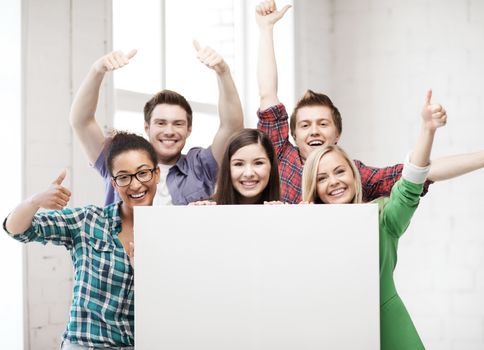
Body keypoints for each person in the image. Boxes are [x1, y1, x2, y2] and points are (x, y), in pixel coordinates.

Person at [255, 0, 484, 204]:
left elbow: (421, 171)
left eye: (323, 124)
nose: (314, 131)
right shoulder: (281, 157)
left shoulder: (353, 174)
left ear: (337, 135)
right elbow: (267, 94)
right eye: (305, 125)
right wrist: (266, 29)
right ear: (293, 135)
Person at [301, 91, 446, 349]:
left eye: (339, 171)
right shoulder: (306, 229)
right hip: (333, 331)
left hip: (389, 328)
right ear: (314, 187)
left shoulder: (381, 216)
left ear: (353, 174)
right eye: (322, 178)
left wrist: (427, 130)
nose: (333, 181)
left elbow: (410, 184)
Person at [3, 132, 160, 349]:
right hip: (84, 344)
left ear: (157, 173)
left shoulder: (169, 231)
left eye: (143, 173)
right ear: (114, 183)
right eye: (123, 177)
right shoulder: (87, 221)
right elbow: (16, 229)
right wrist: (35, 200)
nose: (135, 185)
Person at [70, 41, 244, 205]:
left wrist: (223, 72)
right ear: (147, 127)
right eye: (161, 123)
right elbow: (81, 122)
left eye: (178, 124)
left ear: (189, 129)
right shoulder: (119, 158)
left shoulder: (200, 166)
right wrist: (97, 71)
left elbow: (232, 127)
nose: (169, 131)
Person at [191, 128, 280, 205]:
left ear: (271, 166)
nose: (248, 173)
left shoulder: (286, 212)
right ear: (228, 168)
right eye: (239, 164)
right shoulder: (206, 210)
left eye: (258, 163)